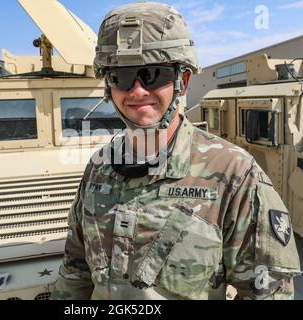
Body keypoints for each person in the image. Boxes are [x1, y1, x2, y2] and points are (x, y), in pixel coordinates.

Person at [50, 2, 301, 300]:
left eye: (154, 74)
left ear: (182, 81)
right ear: (109, 85)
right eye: (122, 76)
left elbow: (267, 293)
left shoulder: (235, 174)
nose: (138, 91)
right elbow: (76, 272)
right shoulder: (100, 167)